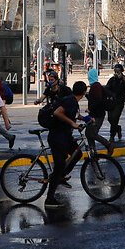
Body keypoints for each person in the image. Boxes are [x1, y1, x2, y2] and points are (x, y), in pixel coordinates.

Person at [44, 80, 86, 209]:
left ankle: (61, 176)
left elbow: (75, 115)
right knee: (59, 165)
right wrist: (72, 124)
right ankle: (49, 199)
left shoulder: (72, 101)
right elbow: (58, 113)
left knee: (77, 153)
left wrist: (87, 119)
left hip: (65, 136)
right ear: (84, 93)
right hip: (57, 137)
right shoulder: (70, 101)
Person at [85, 68, 112, 152]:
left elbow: (98, 100)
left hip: (97, 114)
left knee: (92, 133)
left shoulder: (95, 86)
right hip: (95, 114)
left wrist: (90, 109)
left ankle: (108, 145)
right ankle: (93, 152)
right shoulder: (96, 85)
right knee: (88, 133)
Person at [105, 64, 125, 141]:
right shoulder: (112, 79)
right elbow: (106, 89)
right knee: (110, 118)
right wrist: (111, 94)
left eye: (118, 71)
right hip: (111, 102)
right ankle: (117, 128)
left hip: (120, 102)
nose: (117, 73)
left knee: (115, 118)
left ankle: (112, 136)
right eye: (115, 71)